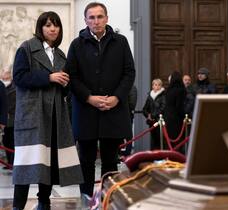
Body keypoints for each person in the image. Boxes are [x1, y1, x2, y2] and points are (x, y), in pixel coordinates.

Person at [12, 11, 83, 210]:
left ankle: (44, 202)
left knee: (49, 162)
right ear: (40, 28)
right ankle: (18, 206)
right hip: (33, 115)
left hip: (54, 116)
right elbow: (19, 77)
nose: (52, 29)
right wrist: (49, 77)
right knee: (26, 163)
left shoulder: (61, 55)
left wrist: (66, 83)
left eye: (56, 25)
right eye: (47, 25)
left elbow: (65, 88)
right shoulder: (26, 48)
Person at [65, 2, 136, 199]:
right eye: (92, 17)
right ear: (85, 20)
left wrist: (116, 97)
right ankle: (86, 198)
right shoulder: (77, 45)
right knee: (86, 159)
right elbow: (72, 76)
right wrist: (88, 97)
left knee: (110, 160)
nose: (96, 21)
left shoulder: (120, 42)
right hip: (86, 110)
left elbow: (129, 73)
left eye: (100, 17)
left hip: (112, 110)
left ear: (106, 18)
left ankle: (108, 197)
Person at [164, 71, 186, 152]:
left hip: (168, 117)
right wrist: (184, 116)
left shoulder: (168, 89)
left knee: (169, 141)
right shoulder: (180, 90)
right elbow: (179, 106)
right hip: (176, 119)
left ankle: (169, 157)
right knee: (177, 141)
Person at [142, 79, 165, 150]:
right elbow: (144, 109)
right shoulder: (150, 96)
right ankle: (154, 156)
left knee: (160, 140)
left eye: (159, 85)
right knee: (153, 140)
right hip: (151, 122)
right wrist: (148, 115)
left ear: (161, 86)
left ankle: (161, 156)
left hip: (160, 121)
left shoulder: (163, 96)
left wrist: (153, 115)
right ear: (152, 86)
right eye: (155, 85)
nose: (157, 86)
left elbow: (163, 108)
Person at [0, 71, 15, 168]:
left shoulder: (16, 87)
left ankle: (12, 162)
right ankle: (9, 162)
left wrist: (2, 121)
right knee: (6, 142)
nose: (4, 75)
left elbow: (4, 104)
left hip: (12, 120)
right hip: (6, 119)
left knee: (12, 142)